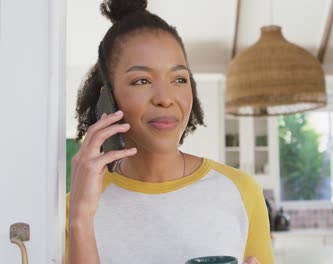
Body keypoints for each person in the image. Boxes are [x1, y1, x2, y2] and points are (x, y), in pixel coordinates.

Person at [66, 0, 274, 263]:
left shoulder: (241, 191)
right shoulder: (73, 210)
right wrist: (81, 220)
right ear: (107, 99)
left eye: (179, 79)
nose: (165, 98)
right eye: (142, 80)